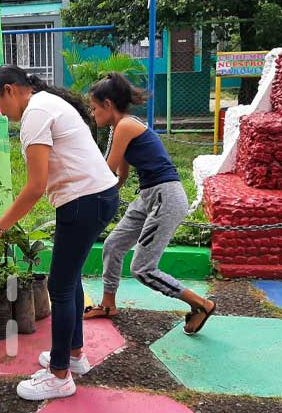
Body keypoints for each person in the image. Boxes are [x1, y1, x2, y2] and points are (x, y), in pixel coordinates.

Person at [0, 65, 119, 401]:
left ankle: (59, 376)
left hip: (83, 201)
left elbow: (35, 186)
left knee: (60, 286)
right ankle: (73, 354)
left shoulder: (35, 114)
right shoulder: (47, 103)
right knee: (70, 280)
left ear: (10, 90)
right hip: (96, 197)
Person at [85, 72, 216, 334]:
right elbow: (119, 175)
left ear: (108, 105)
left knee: (143, 268)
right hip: (148, 197)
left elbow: (105, 169)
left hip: (165, 197)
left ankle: (201, 304)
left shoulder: (125, 126)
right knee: (113, 245)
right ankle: (108, 304)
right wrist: (103, 200)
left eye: (94, 107)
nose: (92, 112)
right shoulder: (120, 128)